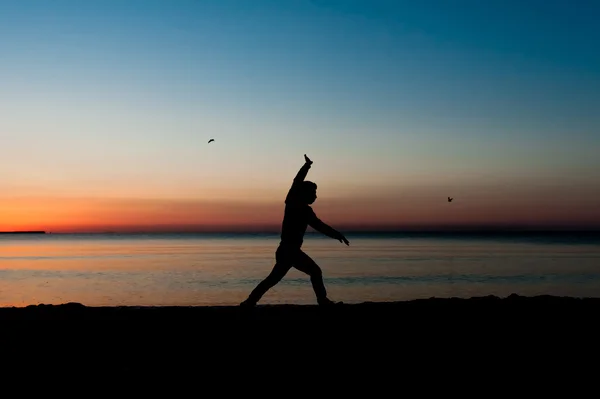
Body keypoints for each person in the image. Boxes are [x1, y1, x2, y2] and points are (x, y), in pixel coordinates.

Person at [240, 154, 349, 307]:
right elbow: (296, 182)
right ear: (304, 193)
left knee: (273, 279)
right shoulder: (292, 203)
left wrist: (336, 234)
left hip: (289, 250)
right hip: (288, 250)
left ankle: (249, 302)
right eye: (313, 193)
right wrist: (306, 166)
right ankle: (323, 302)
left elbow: (320, 226)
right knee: (314, 272)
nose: (315, 196)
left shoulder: (307, 212)